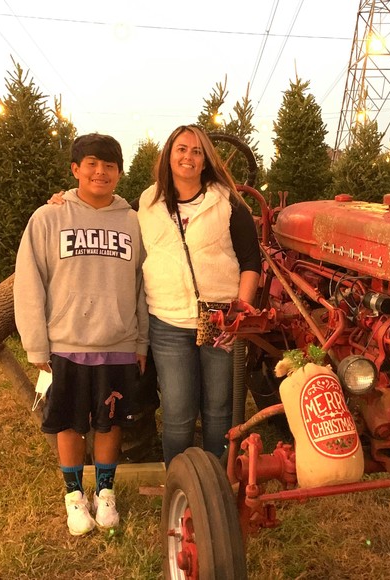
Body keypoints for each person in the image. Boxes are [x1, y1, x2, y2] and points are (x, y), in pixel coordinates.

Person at [13, 133, 149, 536]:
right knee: (69, 424)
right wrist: (35, 342)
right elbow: (29, 282)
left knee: (110, 423)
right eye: (91, 164)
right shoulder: (48, 217)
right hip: (65, 343)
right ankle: (74, 497)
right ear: (75, 169)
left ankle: (105, 493)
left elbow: (144, 286)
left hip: (118, 342)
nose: (100, 172)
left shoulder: (133, 222)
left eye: (109, 165)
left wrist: (140, 341)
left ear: (120, 173)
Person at [137, 124, 261, 467]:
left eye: (196, 151)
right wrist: (66, 200)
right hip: (168, 322)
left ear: (206, 160)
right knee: (178, 411)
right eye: (181, 149)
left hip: (221, 320)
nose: (188, 157)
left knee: (219, 408)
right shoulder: (147, 203)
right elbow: (107, 211)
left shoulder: (228, 202)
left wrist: (240, 311)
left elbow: (251, 262)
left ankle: (219, 478)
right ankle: (180, 482)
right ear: (168, 155)